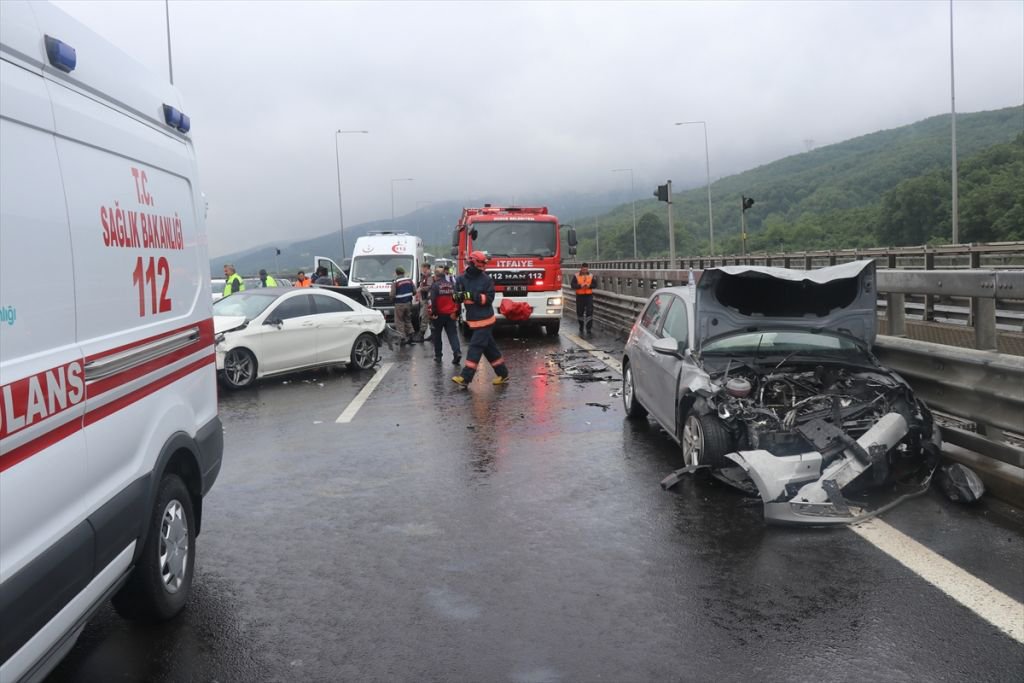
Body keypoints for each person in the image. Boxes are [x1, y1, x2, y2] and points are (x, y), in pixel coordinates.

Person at [452, 251, 509, 386]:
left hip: (485, 320)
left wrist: (472, 296)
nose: (483, 266)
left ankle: (465, 378)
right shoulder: (461, 279)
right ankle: (503, 374)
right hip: (473, 320)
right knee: (490, 350)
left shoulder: (486, 280)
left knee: (475, 347)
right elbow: (455, 297)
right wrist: (458, 302)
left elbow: (489, 299)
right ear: (472, 262)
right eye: (481, 263)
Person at [428, 264, 462, 365]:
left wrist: (433, 313)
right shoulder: (452, 285)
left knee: (437, 336)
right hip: (451, 314)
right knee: (453, 335)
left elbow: (432, 301)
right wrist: (457, 312)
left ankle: (438, 356)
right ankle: (457, 352)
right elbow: (458, 299)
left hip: (439, 314)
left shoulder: (435, 286)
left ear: (436, 276)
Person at [391, 266, 416, 345]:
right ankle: (411, 335)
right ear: (403, 272)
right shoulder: (409, 280)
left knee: (399, 321)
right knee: (407, 320)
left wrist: (392, 300)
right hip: (408, 303)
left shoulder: (396, 282)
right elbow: (414, 291)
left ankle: (402, 339)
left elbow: (392, 294)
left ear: (396, 273)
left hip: (399, 304)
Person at [571, 262, 594, 336]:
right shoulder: (576, 275)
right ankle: (581, 326)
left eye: (586, 269)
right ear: (581, 268)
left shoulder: (591, 275)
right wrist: (580, 285)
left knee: (589, 312)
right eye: (583, 269)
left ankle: (588, 329)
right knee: (580, 312)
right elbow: (572, 285)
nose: (584, 270)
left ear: (587, 269)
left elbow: (595, 284)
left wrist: (589, 286)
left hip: (589, 296)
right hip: (580, 296)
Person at [415, 262, 433, 342]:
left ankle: (421, 335)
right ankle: (433, 335)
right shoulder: (424, 276)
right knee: (428, 317)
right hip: (425, 299)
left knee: (425, 317)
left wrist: (421, 289)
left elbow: (430, 287)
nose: (422, 269)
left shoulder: (429, 276)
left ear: (426, 268)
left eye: (423, 268)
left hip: (428, 299)